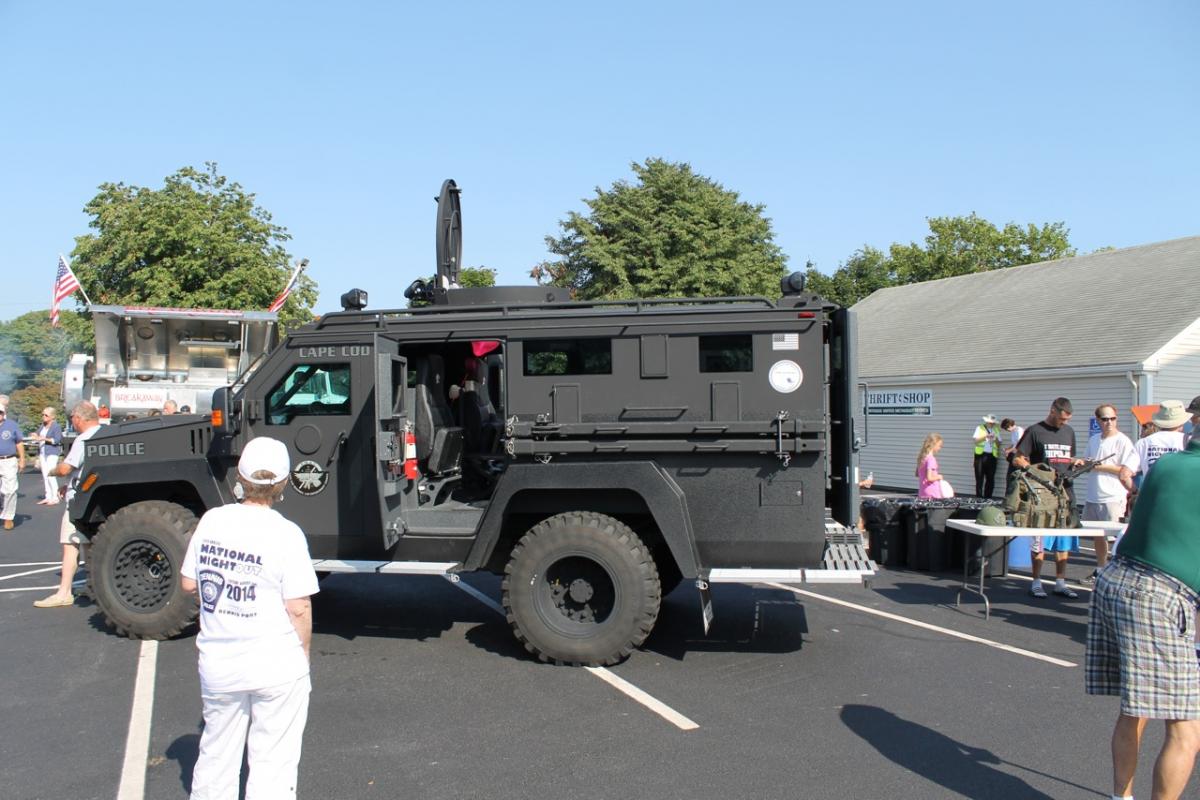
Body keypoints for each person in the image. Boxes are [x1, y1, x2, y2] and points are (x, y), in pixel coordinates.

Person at [180, 436, 319, 800]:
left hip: (219, 660)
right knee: (274, 761)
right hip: (275, 661)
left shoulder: (213, 520)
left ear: (240, 477)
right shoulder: (287, 533)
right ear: (283, 483)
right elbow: (298, 606)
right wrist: (302, 655)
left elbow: (188, 583)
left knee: (216, 753)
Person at [1085, 434, 1200, 800]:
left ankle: (1121, 797)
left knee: (1137, 707)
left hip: (1118, 577)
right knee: (1186, 730)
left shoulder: (1167, 464)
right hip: (1157, 594)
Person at [1012, 397, 1084, 599]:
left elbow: (1068, 458)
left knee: (1063, 540)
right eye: (1062, 419)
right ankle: (1036, 582)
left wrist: (1075, 462)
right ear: (1053, 411)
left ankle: (1060, 582)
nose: (1064, 423)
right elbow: (1017, 458)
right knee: (1040, 539)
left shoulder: (1069, 432)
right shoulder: (1035, 431)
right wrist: (1032, 470)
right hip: (1042, 495)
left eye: (1067, 419)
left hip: (1065, 492)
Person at [34, 402, 102, 607]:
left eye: (72, 417)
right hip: (94, 497)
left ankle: (64, 593)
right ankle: (94, 588)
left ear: (79, 418)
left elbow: (66, 468)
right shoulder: (103, 435)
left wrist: (52, 471)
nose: (72, 421)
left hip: (77, 501)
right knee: (89, 546)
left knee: (70, 545)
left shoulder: (83, 439)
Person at [1082, 404, 1138, 582]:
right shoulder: (1094, 440)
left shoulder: (1123, 441)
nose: (1109, 422)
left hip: (1113, 496)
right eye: (1105, 419)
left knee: (1116, 537)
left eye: (1113, 418)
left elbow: (1126, 470)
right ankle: (1100, 569)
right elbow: (1087, 463)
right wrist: (1082, 464)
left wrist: (1099, 466)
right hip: (1093, 495)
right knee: (1098, 536)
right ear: (1098, 420)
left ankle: (1117, 575)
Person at [1134, 400, 1188, 479]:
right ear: (1182, 422)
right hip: (1182, 486)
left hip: (1153, 486)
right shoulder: (1189, 441)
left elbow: (1125, 474)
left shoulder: (1143, 443)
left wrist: (1136, 488)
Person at [29, 407, 65, 505]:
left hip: (52, 453)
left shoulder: (56, 426)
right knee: (45, 475)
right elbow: (38, 434)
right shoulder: (43, 425)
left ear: (52, 416)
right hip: (43, 452)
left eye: (46, 415)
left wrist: (44, 439)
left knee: (51, 475)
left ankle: (55, 497)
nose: (43, 417)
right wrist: (34, 435)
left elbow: (57, 440)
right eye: (43, 414)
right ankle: (48, 497)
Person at [0, 402, 27, 531]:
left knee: (10, 490)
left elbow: (19, 443)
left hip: (8, 460)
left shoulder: (11, 425)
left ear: (3, 413)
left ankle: (8, 517)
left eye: (0, 413)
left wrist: (22, 459)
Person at [972, 414, 1003, 498]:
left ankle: (988, 497)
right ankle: (979, 497)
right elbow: (976, 441)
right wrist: (985, 436)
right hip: (980, 455)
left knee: (990, 477)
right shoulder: (980, 428)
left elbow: (999, 444)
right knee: (979, 477)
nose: (992, 424)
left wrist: (995, 438)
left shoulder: (996, 430)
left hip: (992, 456)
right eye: (990, 422)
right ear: (986, 421)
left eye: (993, 423)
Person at [915, 433, 950, 498]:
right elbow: (929, 478)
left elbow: (917, 474)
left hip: (922, 492)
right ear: (933, 444)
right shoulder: (931, 459)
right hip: (932, 492)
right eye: (939, 446)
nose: (940, 448)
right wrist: (939, 477)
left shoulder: (922, 458)